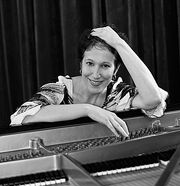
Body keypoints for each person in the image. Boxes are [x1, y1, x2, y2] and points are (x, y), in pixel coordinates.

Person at [10, 25, 168, 137]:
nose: (96, 74)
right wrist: (88, 109)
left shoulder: (117, 93)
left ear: (115, 70)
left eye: (105, 66)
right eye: (90, 64)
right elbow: (23, 116)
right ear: (81, 65)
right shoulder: (59, 90)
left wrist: (120, 44)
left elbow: (153, 99)